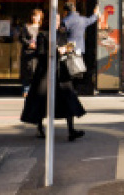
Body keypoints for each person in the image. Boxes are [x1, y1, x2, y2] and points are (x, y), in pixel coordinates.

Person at [20, 12, 86, 140]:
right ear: (48, 21)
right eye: (54, 20)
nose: (57, 22)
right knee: (41, 100)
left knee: (68, 98)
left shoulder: (61, 34)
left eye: (58, 20)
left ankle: (71, 130)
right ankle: (39, 128)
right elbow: (40, 53)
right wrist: (57, 51)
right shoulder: (42, 35)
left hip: (61, 71)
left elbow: (64, 48)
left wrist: (68, 49)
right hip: (45, 72)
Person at [61, 2, 100, 88]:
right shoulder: (82, 19)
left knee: (68, 70)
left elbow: (61, 34)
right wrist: (96, 13)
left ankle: (69, 87)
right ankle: (76, 87)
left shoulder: (65, 21)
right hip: (79, 48)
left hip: (68, 48)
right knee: (77, 69)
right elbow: (91, 19)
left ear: (66, 11)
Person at [19, 8, 44, 96]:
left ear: (40, 17)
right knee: (27, 71)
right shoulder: (26, 26)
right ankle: (26, 89)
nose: (34, 18)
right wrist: (29, 43)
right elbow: (22, 38)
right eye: (33, 15)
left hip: (38, 53)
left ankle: (36, 90)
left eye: (37, 16)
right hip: (28, 52)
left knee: (37, 71)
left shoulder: (42, 27)